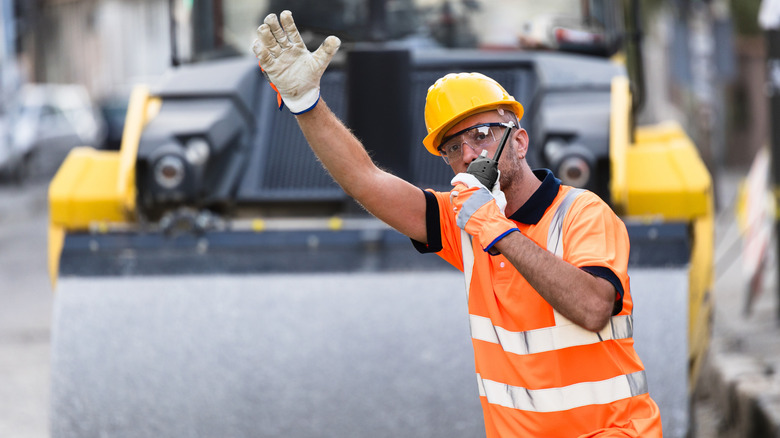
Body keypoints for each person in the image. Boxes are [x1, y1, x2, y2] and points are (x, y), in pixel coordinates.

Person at [253, 10, 663, 438]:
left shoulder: (580, 212)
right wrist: (305, 104)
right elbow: (364, 179)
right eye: (452, 147)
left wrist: (495, 228)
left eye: (483, 134)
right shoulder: (462, 219)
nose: (469, 155)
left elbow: (594, 307)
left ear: (519, 141)